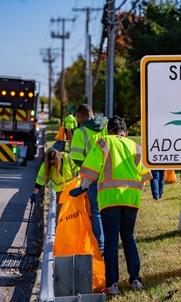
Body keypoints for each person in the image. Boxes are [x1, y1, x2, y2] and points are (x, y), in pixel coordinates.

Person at [70, 116, 152, 295]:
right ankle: (136, 279)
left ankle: (112, 284)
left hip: (110, 199)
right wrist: (135, 194)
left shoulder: (104, 142)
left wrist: (82, 188)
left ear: (109, 131)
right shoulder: (135, 146)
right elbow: (144, 178)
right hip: (131, 199)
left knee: (111, 241)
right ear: (126, 132)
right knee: (129, 238)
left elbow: (92, 171)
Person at [69, 104, 108, 254]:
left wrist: (86, 169)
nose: (78, 120)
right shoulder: (105, 125)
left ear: (82, 116)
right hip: (109, 173)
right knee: (108, 208)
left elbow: (76, 158)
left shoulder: (81, 132)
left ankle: (100, 245)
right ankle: (109, 241)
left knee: (96, 210)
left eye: (78, 117)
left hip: (92, 176)